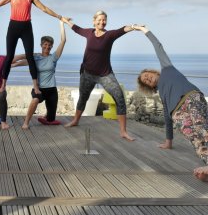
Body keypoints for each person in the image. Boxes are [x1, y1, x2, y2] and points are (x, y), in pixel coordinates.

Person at [133, 25, 208, 182]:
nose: (147, 79)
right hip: (178, 114)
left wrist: (144, 30)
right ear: (150, 86)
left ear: (154, 72)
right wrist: (168, 142)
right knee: (195, 139)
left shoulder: (167, 68)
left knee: (203, 128)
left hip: (190, 98)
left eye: (147, 75)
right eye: (146, 81)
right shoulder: (162, 94)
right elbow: (167, 118)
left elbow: (158, 47)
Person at [62, 10, 136, 141]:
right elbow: (76, 28)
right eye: (99, 19)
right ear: (94, 21)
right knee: (82, 98)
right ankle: (75, 120)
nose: (102, 22)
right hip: (87, 74)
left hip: (105, 75)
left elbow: (122, 30)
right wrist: (66, 20)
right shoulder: (89, 33)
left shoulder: (109, 35)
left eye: (104, 20)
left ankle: (123, 131)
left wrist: (133, 27)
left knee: (119, 97)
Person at [12, 20, 66, 129]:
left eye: (49, 45)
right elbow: (20, 59)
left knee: (51, 119)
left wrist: (61, 24)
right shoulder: (36, 57)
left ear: (51, 46)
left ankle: (47, 115)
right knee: (35, 100)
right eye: (45, 44)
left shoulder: (53, 58)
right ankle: (26, 122)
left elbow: (63, 40)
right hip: (39, 89)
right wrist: (11, 64)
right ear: (41, 45)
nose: (47, 47)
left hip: (52, 90)